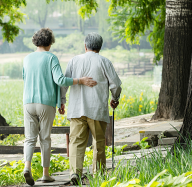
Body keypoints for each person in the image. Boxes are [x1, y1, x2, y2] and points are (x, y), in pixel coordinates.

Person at [22, 28, 97, 186]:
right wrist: (79, 80)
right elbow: (60, 80)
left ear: (36, 41)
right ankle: (45, 174)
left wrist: (59, 100)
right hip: (45, 103)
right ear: (49, 42)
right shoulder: (51, 58)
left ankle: (26, 167)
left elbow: (25, 79)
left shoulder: (27, 59)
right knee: (45, 139)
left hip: (28, 102)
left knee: (29, 138)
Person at [61, 32, 122, 185]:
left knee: (76, 142)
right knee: (99, 142)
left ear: (85, 45)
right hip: (96, 109)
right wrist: (115, 98)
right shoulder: (104, 61)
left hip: (76, 108)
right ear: (99, 47)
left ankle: (75, 173)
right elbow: (116, 84)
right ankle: (99, 174)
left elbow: (65, 83)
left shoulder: (74, 61)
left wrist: (62, 101)